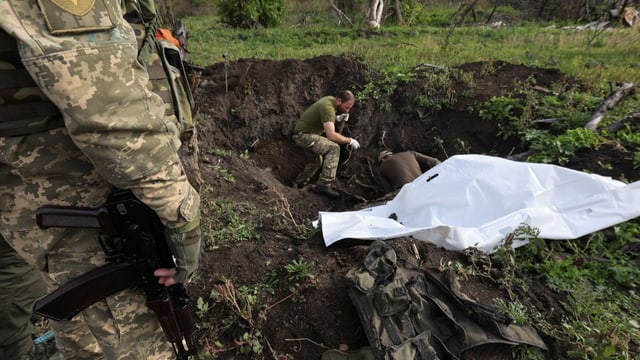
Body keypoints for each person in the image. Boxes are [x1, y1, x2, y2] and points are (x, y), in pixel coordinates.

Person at [0, 1, 201, 359]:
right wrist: (183, 214)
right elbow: (108, 111)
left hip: (44, 196)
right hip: (79, 193)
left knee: (80, 336)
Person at [292, 90, 361, 198]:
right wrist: (350, 140)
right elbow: (331, 136)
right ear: (339, 100)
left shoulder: (330, 100)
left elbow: (325, 118)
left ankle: (298, 184)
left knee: (317, 160)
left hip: (306, 134)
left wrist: (337, 119)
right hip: (303, 135)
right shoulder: (327, 107)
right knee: (334, 148)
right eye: (346, 107)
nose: (347, 110)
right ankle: (324, 184)